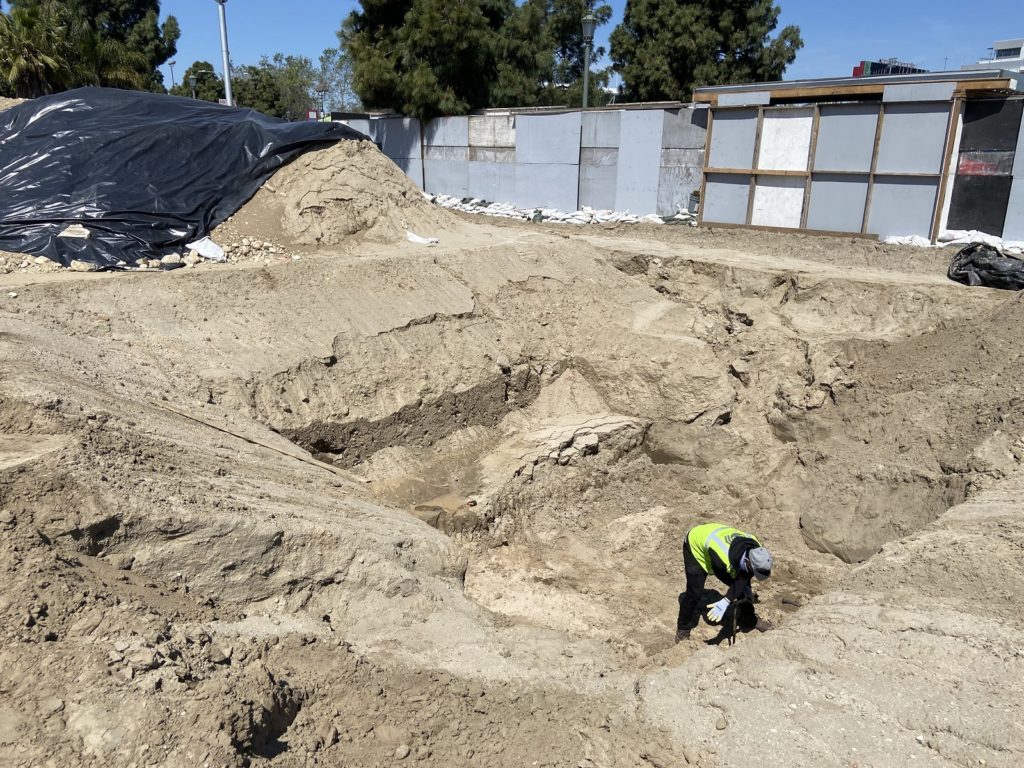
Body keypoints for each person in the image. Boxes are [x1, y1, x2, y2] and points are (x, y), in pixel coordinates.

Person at [675, 522, 772, 642]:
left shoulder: (756, 548)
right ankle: (683, 629)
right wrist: (727, 600)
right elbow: (734, 582)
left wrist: (738, 592)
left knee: (744, 588)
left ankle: (750, 620)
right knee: (694, 592)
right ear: (747, 561)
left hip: (716, 538)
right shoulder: (721, 559)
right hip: (695, 545)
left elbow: (743, 580)